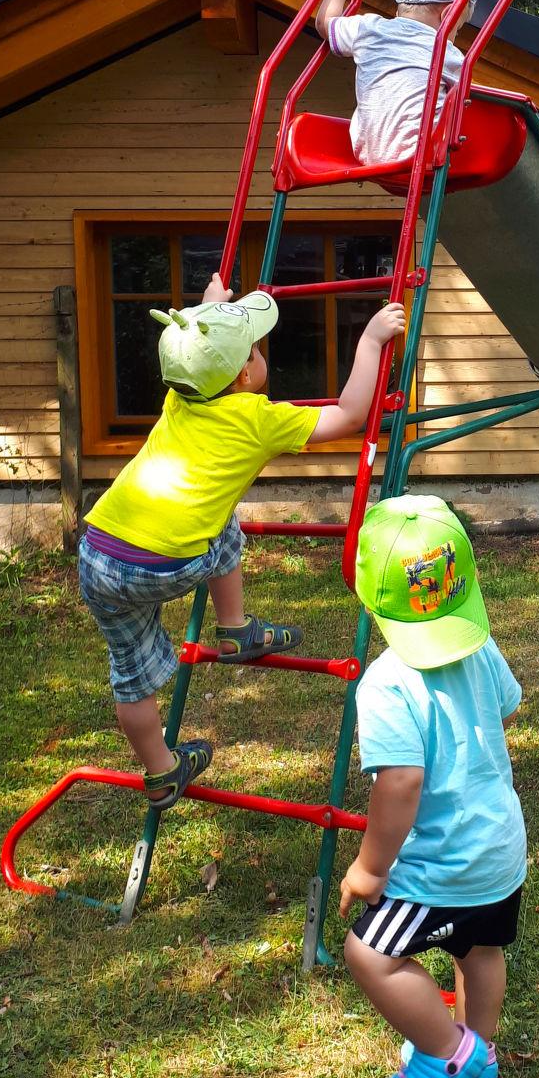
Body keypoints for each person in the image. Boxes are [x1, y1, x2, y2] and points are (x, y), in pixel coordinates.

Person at [78, 272, 405, 811]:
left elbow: (196, 355)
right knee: (222, 521)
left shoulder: (181, 397)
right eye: (254, 349)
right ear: (243, 375)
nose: (259, 354)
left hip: (99, 552)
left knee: (130, 674)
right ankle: (234, 630)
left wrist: (209, 309)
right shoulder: (256, 417)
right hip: (167, 562)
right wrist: (369, 340)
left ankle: (162, 773)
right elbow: (349, 414)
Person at [339, 494, 526, 1078]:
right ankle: (483, 1048)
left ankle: (449, 1052)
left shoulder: (387, 683)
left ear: (369, 596)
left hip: (437, 871)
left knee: (371, 956)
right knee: (481, 951)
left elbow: (400, 784)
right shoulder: (480, 647)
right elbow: (505, 708)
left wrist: (368, 869)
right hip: (500, 853)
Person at [314, 0, 473, 168]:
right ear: (449, 16)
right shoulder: (447, 52)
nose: (456, 37)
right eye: (459, 28)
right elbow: (471, 101)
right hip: (422, 156)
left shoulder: (369, 28)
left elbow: (325, 23)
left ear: (398, 10)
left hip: (367, 156)